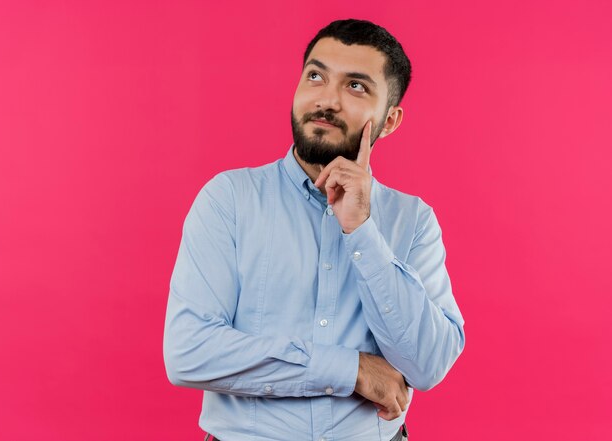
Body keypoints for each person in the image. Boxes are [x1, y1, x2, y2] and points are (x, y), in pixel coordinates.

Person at [163, 18, 465, 441]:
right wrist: (352, 370)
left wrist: (361, 231)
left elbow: (429, 364)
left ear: (391, 120)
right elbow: (189, 352)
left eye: (356, 86)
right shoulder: (229, 199)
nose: (327, 100)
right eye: (316, 76)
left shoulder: (413, 221)